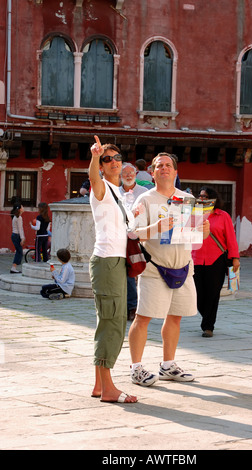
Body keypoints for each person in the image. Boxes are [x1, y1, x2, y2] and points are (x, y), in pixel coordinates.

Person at [128, 153, 210, 386]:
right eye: (159, 166)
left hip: (183, 266)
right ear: (153, 173)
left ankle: (167, 365)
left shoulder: (187, 199)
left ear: (175, 172)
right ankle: (136, 368)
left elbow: (195, 238)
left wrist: (203, 230)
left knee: (175, 317)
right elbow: (133, 234)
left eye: (168, 166)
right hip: (155, 267)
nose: (163, 169)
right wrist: (156, 226)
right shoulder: (145, 200)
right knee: (143, 318)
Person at [88, 135, 137, 404]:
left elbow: (129, 232)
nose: (114, 162)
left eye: (117, 158)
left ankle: (99, 385)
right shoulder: (102, 187)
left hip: (116, 262)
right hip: (107, 262)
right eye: (108, 159)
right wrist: (95, 157)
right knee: (113, 323)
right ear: (103, 166)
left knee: (108, 321)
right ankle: (108, 388)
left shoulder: (119, 193)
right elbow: (93, 179)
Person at [192, 187, 240, 337]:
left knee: (213, 294)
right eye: (200, 196)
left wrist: (235, 258)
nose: (202, 199)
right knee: (197, 294)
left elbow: (231, 238)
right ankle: (207, 316)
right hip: (196, 259)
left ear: (213, 199)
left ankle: (208, 326)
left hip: (217, 259)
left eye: (205, 196)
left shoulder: (223, 216)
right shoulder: (193, 215)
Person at [120, 163, 148, 322]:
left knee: (137, 271)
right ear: (120, 175)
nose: (129, 175)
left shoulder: (143, 193)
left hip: (139, 238)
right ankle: (130, 306)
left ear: (136, 174)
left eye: (131, 172)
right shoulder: (116, 192)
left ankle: (135, 306)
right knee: (126, 273)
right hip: (120, 238)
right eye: (125, 173)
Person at [10, 203, 25, 273]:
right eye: (22, 207)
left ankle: (14, 267)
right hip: (16, 236)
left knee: (19, 252)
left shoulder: (16, 217)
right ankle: (13, 267)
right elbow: (20, 229)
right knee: (19, 252)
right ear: (19, 209)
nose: (23, 208)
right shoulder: (19, 218)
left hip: (14, 235)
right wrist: (22, 238)